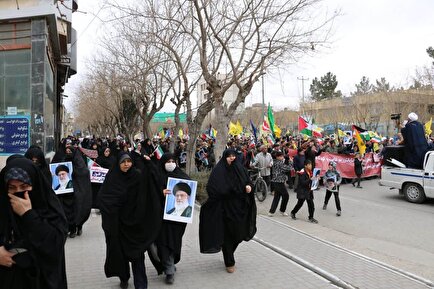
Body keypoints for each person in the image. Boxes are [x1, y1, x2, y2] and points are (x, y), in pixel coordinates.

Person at [0, 157, 68, 289]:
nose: (18, 192)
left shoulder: (50, 209)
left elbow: (54, 245)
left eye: (24, 186)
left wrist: (28, 215)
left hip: (42, 280)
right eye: (12, 188)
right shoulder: (3, 207)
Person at [98, 152, 161, 289]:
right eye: (123, 162)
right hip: (118, 226)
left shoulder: (136, 176)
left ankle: (141, 285)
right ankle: (124, 277)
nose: (127, 164)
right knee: (121, 255)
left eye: (129, 161)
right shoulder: (112, 178)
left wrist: (150, 165)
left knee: (137, 256)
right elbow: (103, 199)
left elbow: (149, 188)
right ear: (118, 164)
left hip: (134, 225)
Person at [199, 149, 257, 274]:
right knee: (227, 235)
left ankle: (228, 251)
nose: (232, 158)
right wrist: (228, 191)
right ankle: (229, 260)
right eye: (229, 156)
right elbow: (212, 188)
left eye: (233, 156)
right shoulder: (219, 171)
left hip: (240, 208)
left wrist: (249, 187)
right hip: (224, 208)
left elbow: (248, 182)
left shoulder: (240, 169)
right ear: (225, 157)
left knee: (239, 234)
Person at [155, 153, 191, 285]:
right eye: (167, 161)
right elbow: (150, 192)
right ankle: (169, 271)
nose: (170, 163)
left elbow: (190, 189)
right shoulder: (158, 177)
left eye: (172, 161)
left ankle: (169, 264)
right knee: (163, 242)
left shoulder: (181, 176)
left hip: (177, 220)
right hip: (161, 218)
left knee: (174, 242)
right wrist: (160, 191)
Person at [290, 159, 318, 223]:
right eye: (309, 165)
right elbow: (303, 183)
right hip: (302, 191)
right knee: (300, 203)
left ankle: (311, 217)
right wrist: (310, 179)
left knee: (311, 205)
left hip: (309, 190)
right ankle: (293, 212)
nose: (311, 166)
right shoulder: (302, 172)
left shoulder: (310, 171)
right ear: (305, 165)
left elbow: (312, 181)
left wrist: (316, 179)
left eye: (311, 164)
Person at [268, 151, 292, 217]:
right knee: (286, 195)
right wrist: (290, 161)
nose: (282, 157)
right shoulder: (279, 163)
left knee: (277, 197)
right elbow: (288, 168)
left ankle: (271, 212)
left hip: (277, 181)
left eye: (282, 156)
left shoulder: (275, 161)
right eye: (281, 156)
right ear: (277, 157)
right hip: (279, 182)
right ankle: (282, 210)